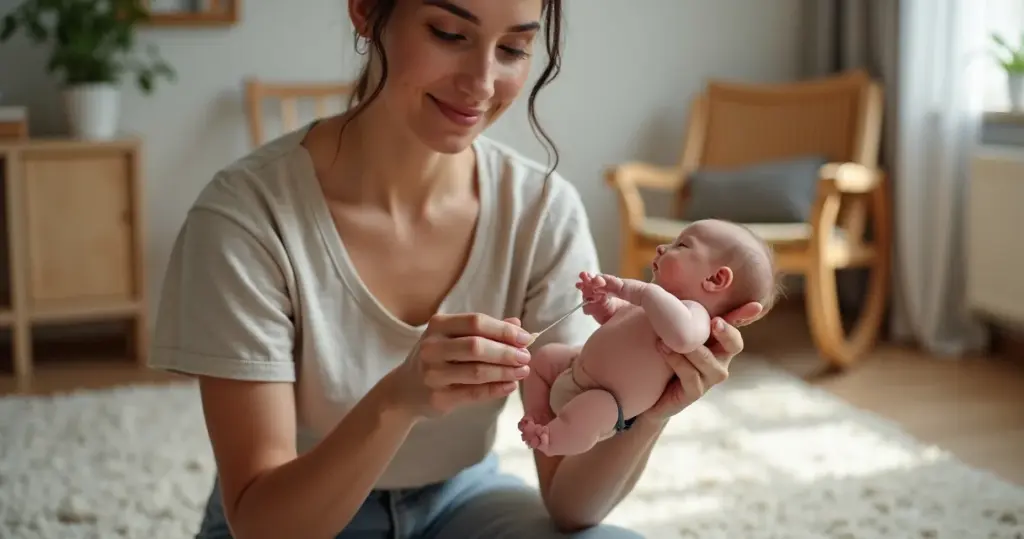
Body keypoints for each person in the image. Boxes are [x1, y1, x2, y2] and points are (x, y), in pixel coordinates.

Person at [148, 0, 763, 538]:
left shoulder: (543, 212)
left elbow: (572, 509)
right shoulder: (245, 219)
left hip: (462, 502)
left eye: (515, 47)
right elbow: (263, 524)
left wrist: (649, 412)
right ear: (366, 9)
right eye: (449, 33)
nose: (481, 81)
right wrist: (397, 399)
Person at [518, 220, 779, 457]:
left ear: (715, 278)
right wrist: (601, 303)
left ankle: (551, 440)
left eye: (682, 245)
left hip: (602, 398)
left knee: (589, 414)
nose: (662, 248)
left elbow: (682, 338)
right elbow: (616, 318)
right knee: (545, 356)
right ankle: (539, 414)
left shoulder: (695, 316)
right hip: (574, 368)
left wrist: (641, 292)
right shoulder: (654, 303)